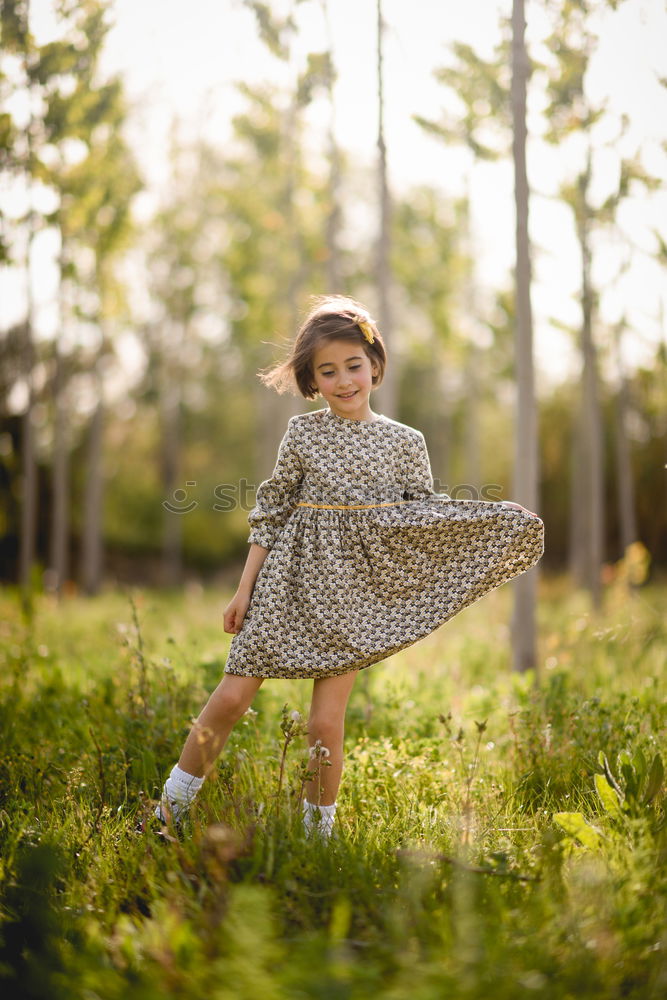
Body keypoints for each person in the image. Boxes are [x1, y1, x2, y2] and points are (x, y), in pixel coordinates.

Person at [154, 294, 544, 840]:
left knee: (323, 722)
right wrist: (244, 590)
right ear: (313, 380)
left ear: (375, 366)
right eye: (328, 371)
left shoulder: (406, 442)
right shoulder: (304, 435)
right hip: (285, 585)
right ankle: (168, 814)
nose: (343, 381)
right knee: (233, 697)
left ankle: (319, 838)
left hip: (354, 596)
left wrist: (495, 519)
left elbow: (421, 521)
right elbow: (270, 513)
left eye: (353, 366)